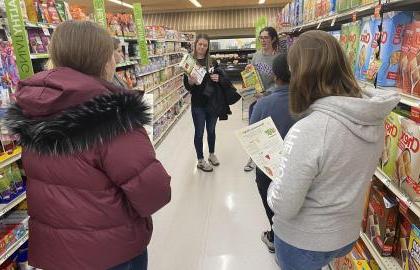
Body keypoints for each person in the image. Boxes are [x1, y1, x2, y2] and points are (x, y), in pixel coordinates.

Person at [5, 21, 171, 270]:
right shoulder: (112, 115)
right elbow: (153, 193)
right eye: (113, 54)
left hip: (57, 252)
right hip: (110, 252)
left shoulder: (32, 107)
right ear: (103, 60)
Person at [267, 30, 400, 270]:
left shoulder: (308, 130)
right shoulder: (372, 119)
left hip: (304, 241)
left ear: (303, 73)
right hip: (345, 234)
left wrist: (274, 181)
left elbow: (284, 205)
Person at [249, 53, 296, 253]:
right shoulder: (307, 101)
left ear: (275, 76)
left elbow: (253, 136)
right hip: (300, 165)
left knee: (267, 191)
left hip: (271, 167)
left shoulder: (264, 104)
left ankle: (275, 234)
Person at [244, 26, 279, 172]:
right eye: (261, 38)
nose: (263, 40)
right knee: (253, 129)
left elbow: (279, 81)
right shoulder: (256, 55)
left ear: (273, 39)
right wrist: (248, 72)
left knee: (268, 130)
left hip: (270, 99)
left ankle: (269, 160)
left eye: (266, 38)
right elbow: (252, 75)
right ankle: (252, 158)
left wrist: (266, 93)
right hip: (255, 99)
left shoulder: (278, 58)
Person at [184, 33, 220, 172]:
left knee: (211, 130)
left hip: (212, 103)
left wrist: (218, 78)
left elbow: (221, 80)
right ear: (195, 44)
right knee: (199, 133)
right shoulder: (189, 62)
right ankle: (200, 159)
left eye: (205, 45)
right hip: (198, 104)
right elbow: (187, 86)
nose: (202, 47)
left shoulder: (212, 62)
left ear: (208, 46)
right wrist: (190, 82)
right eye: (200, 44)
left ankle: (211, 154)